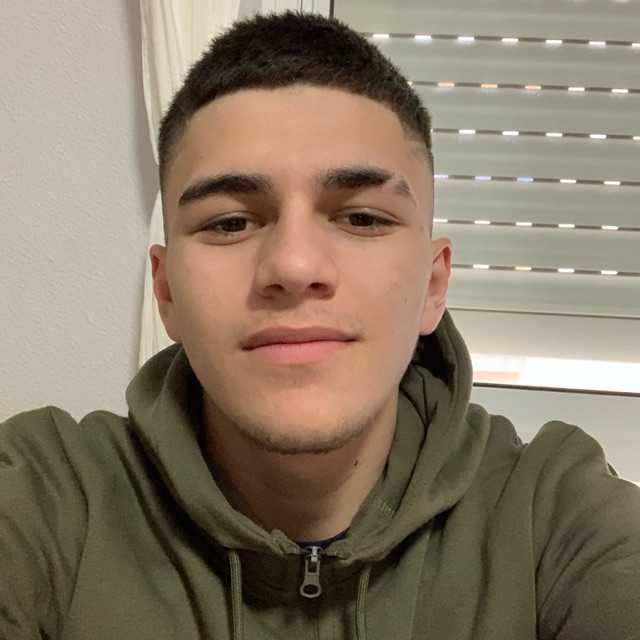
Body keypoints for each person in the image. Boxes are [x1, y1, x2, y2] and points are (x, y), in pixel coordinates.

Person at [2, 10, 639, 640]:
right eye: (230, 222)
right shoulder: (48, 502)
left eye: (362, 218)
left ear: (433, 286)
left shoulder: (555, 516)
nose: (294, 265)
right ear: (166, 292)